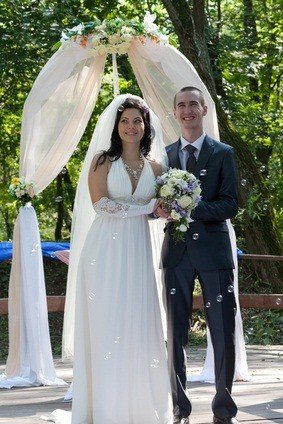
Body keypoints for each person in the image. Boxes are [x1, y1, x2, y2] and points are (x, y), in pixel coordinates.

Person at [68, 95, 173, 424]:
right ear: (116, 126)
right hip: (105, 250)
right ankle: (105, 407)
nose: (132, 127)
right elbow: (101, 205)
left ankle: (138, 404)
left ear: (146, 127)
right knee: (108, 322)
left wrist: (171, 209)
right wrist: (146, 209)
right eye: (125, 121)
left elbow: (160, 211)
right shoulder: (101, 161)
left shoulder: (156, 167)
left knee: (137, 321)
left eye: (138, 122)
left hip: (138, 249)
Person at [155, 86, 239, 424]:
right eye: (181, 105)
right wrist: (161, 209)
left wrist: (192, 207)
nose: (187, 110)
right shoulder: (163, 156)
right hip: (176, 252)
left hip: (214, 251)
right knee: (174, 333)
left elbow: (231, 204)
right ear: (174, 112)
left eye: (193, 104)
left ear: (204, 109)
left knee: (223, 329)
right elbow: (153, 205)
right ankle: (180, 409)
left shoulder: (223, 153)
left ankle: (224, 410)